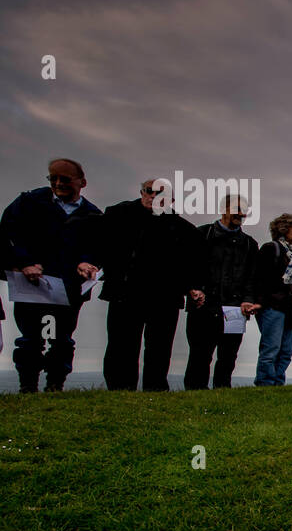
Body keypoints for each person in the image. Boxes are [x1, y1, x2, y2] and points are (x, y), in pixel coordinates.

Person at [1, 158, 102, 392]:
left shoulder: (93, 215)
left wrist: (88, 262)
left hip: (68, 290)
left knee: (61, 338)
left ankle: (55, 386)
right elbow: (7, 233)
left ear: (82, 182)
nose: (58, 183)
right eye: (53, 178)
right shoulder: (28, 202)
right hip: (32, 284)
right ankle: (28, 386)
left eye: (65, 179)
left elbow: (99, 247)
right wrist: (24, 262)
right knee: (31, 338)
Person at [98, 178, 197, 391]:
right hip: (125, 293)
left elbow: (191, 263)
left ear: (170, 200)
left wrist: (192, 286)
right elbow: (100, 246)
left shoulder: (184, 229)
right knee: (122, 345)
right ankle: (120, 390)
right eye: (149, 191)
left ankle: (156, 389)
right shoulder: (118, 215)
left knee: (159, 348)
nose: (153, 197)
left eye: (160, 194)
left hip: (164, 297)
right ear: (141, 192)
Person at [184, 194, 259, 390]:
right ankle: (194, 393)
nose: (241, 214)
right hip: (203, 306)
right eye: (237, 209)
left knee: (228, 356)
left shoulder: (250, 244)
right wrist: (192, 289)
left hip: (235, 309)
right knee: (200, 354)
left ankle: (222, 393)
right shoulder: (201, 234)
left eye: (244, 210)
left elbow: (252, 278)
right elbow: (187, 267)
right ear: (223, 209)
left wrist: (248, 300)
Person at [252, 213, 292, 387]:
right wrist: (260, 301)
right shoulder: (271, 248)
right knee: (271, 348)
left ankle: (277, 382)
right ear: (283, 229)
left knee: (285, 350)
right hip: (272, 306)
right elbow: (260, 277)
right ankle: (265, 383)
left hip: (290, 307)